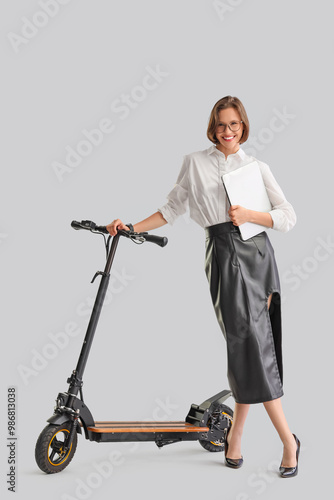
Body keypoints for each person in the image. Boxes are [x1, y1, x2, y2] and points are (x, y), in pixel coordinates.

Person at [107, 96, 300, 477]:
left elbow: (287, 216)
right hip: (221, 255)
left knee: (254, 345)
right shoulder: (194, 163)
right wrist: (130, 226)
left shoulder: (256, 167)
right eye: (221, 125)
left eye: (234, 124)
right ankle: (245, 434)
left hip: (256, 255)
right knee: (242, 343)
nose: (228, 132)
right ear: (212, 128)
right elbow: (171, 209)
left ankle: (282, 440)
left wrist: (249, 214)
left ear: (244, 125)